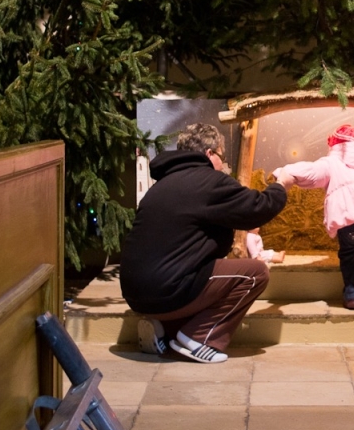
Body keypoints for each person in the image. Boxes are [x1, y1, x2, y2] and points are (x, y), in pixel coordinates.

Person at [120, 123, 294, 363]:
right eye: (222, 156)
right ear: (210, 153)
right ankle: (199, 339)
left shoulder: (162, 185)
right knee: (255, 273)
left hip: (136, 294)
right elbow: (257, 208)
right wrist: (281, 185)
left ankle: (164, 329)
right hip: (167, 291)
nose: (223, 164)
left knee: (203, 277)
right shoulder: (208, 181)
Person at [273, 124, 354, 310]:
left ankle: (353, 295)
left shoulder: (331, 163)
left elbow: (310, 171)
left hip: (349, 215)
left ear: (335, 144)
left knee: (349, 252)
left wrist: (283, 173)